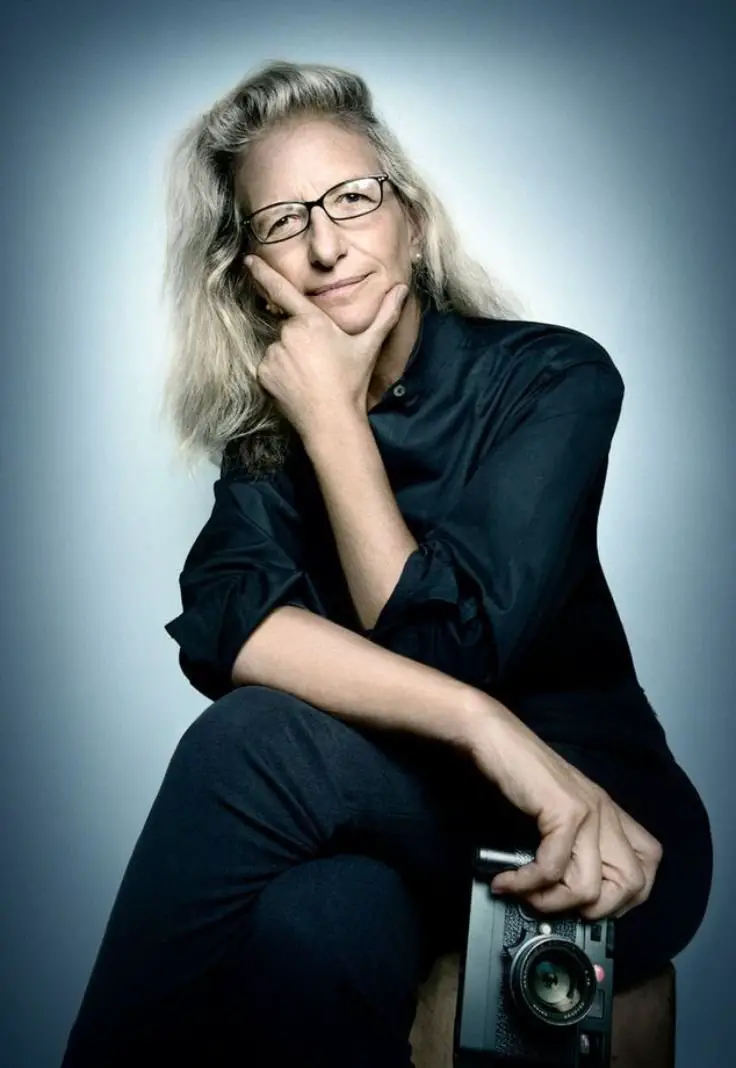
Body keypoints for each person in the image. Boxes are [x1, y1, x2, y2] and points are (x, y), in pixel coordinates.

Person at [60, 59, 713, 1068]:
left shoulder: (551, 378)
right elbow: (227, 618)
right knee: (316, 923)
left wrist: (334, 421)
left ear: (408, 218)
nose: (326, 245)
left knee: (254, 741)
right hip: (407, 835)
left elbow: (451, 647)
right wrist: (477, 724)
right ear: (250, 270)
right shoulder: (265, 447)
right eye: (283, 222)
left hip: (593, 827)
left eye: (352, 200)